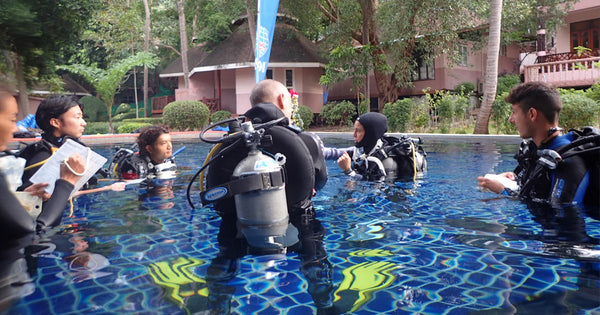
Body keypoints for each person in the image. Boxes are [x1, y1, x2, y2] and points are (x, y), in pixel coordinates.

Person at [202, 79, 327, 222]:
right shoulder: (308, 142)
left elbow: (213, 193)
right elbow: (319, 183)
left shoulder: (223, 147)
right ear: (282, 100)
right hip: (298, 228)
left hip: (235, 230)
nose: (292, 109)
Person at [477, 82, 596, 206]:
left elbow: (562, 220)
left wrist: (503, 191)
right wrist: (514, 179)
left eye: (514, 112)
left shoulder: (568, 161)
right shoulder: (541, 151)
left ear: (532, 114)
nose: (511, 119)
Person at [0, 85, 86, 238]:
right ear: (55, 122)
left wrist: (24, 196)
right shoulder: (41, 155)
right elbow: (36, 230)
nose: (15, 128)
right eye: (12, 119)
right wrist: (66, 183)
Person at [336, 112, 427, 182]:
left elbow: (380, 196)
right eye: (354, 130)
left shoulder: (386, 163)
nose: (354, 135)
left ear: (370, 134)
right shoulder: (366, 150)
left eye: (358, 131)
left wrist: (348, 171)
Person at [108, 124, 176, 180]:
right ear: (149, 148)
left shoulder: (167, 161)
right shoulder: (134, 166)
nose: (169, 146)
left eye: (170, 142)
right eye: (163, 143)